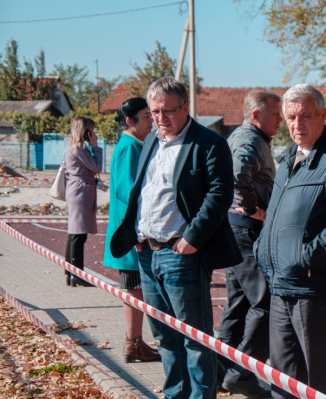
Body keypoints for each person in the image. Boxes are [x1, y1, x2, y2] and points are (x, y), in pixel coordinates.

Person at [110, 77, 242, 399]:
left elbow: (220, 195)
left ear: (185, 107)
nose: (160, 118)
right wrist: (137, 234)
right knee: (165, 338)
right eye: (154, 112)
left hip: (181, 255)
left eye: (168, 111)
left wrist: (191, 240)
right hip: (147, 255)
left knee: (195, 339)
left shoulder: (208, 143)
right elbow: (142, 191)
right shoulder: (152, 141)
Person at [255, 84, 326, 399]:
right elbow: (274, 218)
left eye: (306, 116)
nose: (297, 124)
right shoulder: (287, 162)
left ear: (323, 115)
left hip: (315, 289)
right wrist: (263, 249)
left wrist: (303, 258)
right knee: (283, 379)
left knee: (318, 380)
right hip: (281, 285)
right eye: (291, 117)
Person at [216, 88, 282, 398]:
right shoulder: (249, 140)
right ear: (256, 115)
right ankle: (241, 375)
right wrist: (255, 209)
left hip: (236, 230)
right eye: (276, 115)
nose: (280, 121)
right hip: (245, 232)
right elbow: (237, 175)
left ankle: (220, 371)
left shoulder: (249, 138)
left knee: (239, 303)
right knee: (266, 301)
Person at [103, 98, 161, 364]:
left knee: (135, 289)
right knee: (135, 290)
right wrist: (137, 232)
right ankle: (133, 342)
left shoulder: (136, 145)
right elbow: (128, 193)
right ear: (130, 121)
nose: (152, 121)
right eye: (147, 116)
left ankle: (135, 342)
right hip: (130, 235)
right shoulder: (128, 148)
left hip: (132, 233)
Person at [64, 116, 102, 287]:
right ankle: (77, 274)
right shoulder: (79, 148)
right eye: (91, 130)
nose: (93, 134)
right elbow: (97, 166)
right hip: (81, 190)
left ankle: (70, 272)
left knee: (75, 233)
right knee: (79, 234)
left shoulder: (73, 146)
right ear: (84, 131)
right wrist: (95, 147)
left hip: (78, 189)